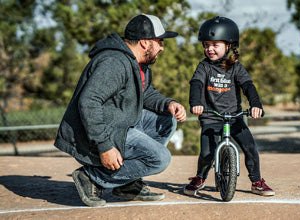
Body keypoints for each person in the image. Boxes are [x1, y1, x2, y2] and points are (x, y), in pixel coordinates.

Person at [54, 14, 187, 207]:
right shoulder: (114, 62)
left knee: (167, 120)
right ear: (144, 43)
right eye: (159, 42)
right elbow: (89, 102)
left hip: (118, 123)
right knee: (160, 159)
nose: (162, 47)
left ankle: (126, 183)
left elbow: (145, 93)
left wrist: (168, 104)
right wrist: (104, 146)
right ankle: (91, 176)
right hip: (94, 132)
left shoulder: (139, 63)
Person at [184, 16, 274, 197]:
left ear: (229, 46)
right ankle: (200, 177)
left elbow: (248, 86)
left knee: (250, 148)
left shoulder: (235, 67)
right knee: (207, 153)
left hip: (234, 117)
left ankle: (256, 181)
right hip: (211, 117)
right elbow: (196, 84)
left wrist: (256, 105)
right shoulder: (204, 67)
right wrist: (196, 104)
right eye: (207, 45)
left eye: (215, 45)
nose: (210, 49)